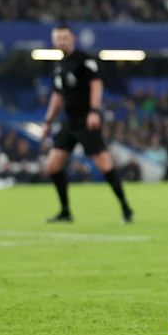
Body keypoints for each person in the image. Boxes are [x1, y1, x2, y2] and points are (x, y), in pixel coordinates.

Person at [39, 24, 133, 223]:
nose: (60, 41)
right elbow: (57, 96)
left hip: (86, 120)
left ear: (72, 38)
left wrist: (94, 111)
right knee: (53, 166)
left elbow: (96, 85)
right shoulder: (58, 66)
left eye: (64, 37)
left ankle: (125, 207)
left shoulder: (84, 61)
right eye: (57, 38)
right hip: (69, 121)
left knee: (105, 164)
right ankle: (65, 212)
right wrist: (48, 121)